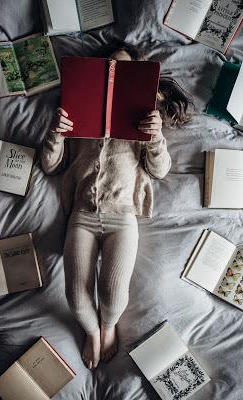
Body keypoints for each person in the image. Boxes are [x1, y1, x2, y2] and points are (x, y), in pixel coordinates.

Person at [41, 44, 193, 370]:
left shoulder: (143, 115)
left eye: (122, 69)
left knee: (111, 296)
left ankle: (108, 326)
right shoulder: (79, 109)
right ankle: (94, 332)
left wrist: (155, 137)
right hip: (81, 215)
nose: (114, 73)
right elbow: (51, 165)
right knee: (75, 296)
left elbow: (160, 169)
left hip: (122, 216)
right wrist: (56, 133)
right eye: (109, 66)